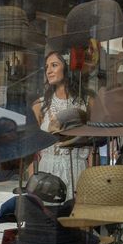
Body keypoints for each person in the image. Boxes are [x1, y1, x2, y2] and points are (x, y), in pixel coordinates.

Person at [32, 51, 92, 198]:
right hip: (47, 171)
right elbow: (34, 151)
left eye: (54, 65)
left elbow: (92, 148)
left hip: (78, 170)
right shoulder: (39, 105)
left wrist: (91, 181)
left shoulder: (87, 103)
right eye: (46, 67)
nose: (48, 71)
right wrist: (33, 184)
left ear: (67, 68)